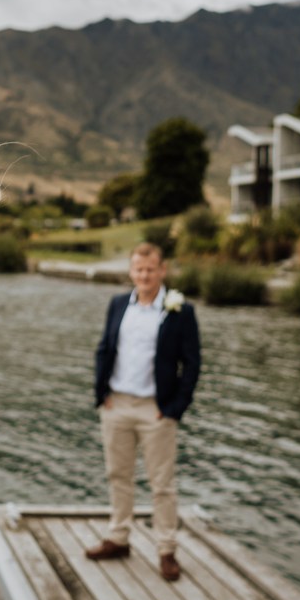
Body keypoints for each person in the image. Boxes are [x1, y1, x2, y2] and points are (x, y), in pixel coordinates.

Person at [86, 241, 201, 582]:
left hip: (156, 410)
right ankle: (119, 538)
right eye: (139, 269)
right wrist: (101, 394)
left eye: (150, 269)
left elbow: (192, 364)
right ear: (131, 271)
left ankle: (166, 549)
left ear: (162, 270)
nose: (144, 275)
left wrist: (175, 408)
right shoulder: (119, 304)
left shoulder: (180, 311)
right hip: (117, 405)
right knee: (118, 475)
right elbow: (105, 348)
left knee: (162, 483)